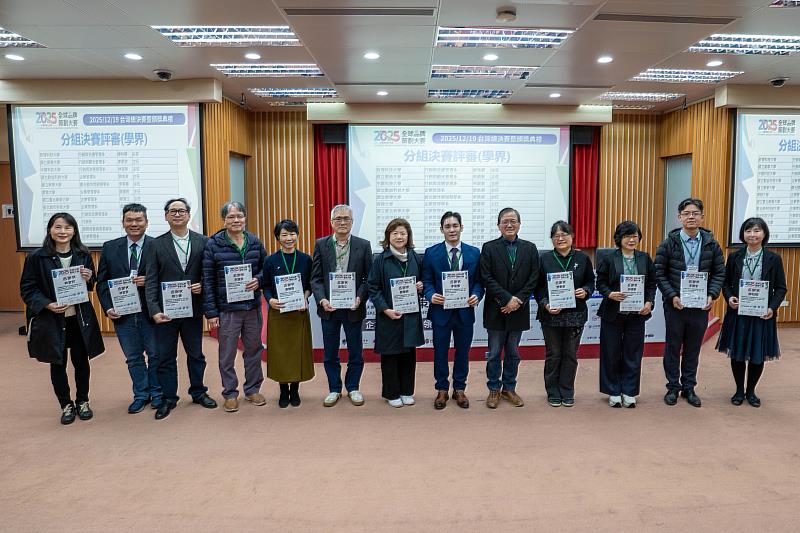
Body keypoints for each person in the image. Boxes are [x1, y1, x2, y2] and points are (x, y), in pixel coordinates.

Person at [20, 213, 105, 424]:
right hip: (52, 319)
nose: (62, 232)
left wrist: (89, 278)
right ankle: (66, 405)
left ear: (74, 231)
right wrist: (48, 304)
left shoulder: (83, 254)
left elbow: (89, 285)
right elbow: (28, 289)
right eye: (58, 227)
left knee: (81, 362)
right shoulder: (36, 257)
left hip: (79, 318)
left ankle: (83, 401)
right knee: (58, 363)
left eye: (67, 228)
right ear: (50, 230)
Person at [144, 198, 217, 420]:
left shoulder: (203, 242)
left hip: (192, 310)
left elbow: (210, 274)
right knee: (166, 357)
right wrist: (154, 309)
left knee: (196, 354)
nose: (177, 214)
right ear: (166, 216)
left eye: (181, 211)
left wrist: (203, 286)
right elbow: (151, 281)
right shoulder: (155, 245)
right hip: (166, 313)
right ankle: (168, 398)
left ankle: (198, 392)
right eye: (172, 211)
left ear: (188, 215)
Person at [655, 198, 725, 408]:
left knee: (693, 348)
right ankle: (672, 387)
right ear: (680, 217)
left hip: (700, 306)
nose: (691, 217)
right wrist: (672, 296)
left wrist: (712, 295)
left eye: (695, 213)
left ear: (702, 217)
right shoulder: (669, 243)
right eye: (687, 213)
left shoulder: (712, 244)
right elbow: (659, 273)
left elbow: (719, 273)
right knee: (673, 347)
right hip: (676, 305)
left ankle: (689, 387)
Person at [202, 202, 268, 413]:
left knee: (254, 350)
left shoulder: (255, 241)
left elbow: (265, 269)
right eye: (231, 217)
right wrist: (211, 312)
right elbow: (208, 280)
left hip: (252, 307)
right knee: (227, 353)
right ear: (224, 220)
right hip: (227, 310)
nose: (236, 220)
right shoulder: (213, 244)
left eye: (239, 216)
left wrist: (258, 279)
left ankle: (252, 389)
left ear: (245, 218)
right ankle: (230, 393)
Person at [97, 203, 162, 414]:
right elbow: (102, 283)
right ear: (123, 222)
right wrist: (107, 308)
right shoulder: (109, 247)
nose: (134, 224)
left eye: (138, 220)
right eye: (129, 220)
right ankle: (141, 394)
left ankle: (157, 393)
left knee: (155, 355)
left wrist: (150, 281)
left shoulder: (158, 245)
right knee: (133, 357)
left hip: (150, 312)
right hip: (123, 314)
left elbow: (167, 278)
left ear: (146, 222)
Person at [717, 217, 787, 408]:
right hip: (738, 312)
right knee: (737, 353)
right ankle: (739, 391)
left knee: (757, 353)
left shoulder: (774, 258)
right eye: (748, 231)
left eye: (757, 231)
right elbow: (725, 282)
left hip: (762, 314)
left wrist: (772, 308)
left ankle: (751, 391)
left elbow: (781, 288)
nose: (752, 234)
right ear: (743, 234)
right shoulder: (734, 257)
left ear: (764, 234)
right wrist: (729, 297)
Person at [310, 204, 373, 407]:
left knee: (355, 350)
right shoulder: (321, 244)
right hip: (330, 308)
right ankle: (334, 389)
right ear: (331, 223)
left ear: (352, 222)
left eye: (346, 218)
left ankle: (353, 387)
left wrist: (360, 298)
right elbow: (316, 278)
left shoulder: (363, 245)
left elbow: (368, 278)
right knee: (330, 352)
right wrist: (322, 299)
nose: (342, 222)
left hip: (353, 308)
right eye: (338, 219)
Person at [422, 211, 484, 409]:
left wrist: (476, 294)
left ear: (461, 227)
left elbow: (479, 282)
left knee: (462, 352)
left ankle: (459, 388)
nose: (452, 229)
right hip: (441, 312)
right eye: (447, 226)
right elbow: (427, 281)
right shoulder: (431, 253)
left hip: (465, 312)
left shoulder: (474, 253)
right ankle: (441, 389)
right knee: (440, 352)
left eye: (455, 225)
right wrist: (431, 295)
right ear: (442, 230)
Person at [479, 207, 539, 409]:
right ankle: (494, 389)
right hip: (496, 309)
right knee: (494, 352)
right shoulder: (488, 248)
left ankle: (509, 388)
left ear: (519, 224)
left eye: (513, 221)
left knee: (513, 352)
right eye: (505, 221)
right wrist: (506, 299)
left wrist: (517, 301)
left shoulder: (530, 248)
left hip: (519, 310)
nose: (509, 225)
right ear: (498, 225)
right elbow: (486, 277)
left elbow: (533, 278)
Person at [595, 221, 657, 408]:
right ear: (619, 238)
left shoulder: (645, 258)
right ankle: (613, 391)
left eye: (635, 236)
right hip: (613, 312)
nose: (632, 239)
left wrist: (649, 302)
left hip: (636, 314)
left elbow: (651, 284)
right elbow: (601, 282)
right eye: (627, 236)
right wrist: (610, 294)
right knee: (611, 352)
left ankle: (629, 391)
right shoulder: (608, 258)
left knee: (633, 352)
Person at [535, 221, 595, 407]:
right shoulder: (544, 259)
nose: (560, 238)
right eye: (556, 236)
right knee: (553, 354)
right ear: (552, 239)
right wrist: (545, 304)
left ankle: (567, 390)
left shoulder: (582, 258)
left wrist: (585, 291)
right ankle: (552, 391)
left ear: (572, 236)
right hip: (550, 315)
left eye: (564, 234)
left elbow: (591, 283)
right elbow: (537, 288)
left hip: (575, 314)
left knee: (570, 354)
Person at [368, 218, 424, 408]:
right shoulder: (380, 260)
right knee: (390, 356)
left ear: (408, 236)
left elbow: (423, 282)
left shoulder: (415, 257)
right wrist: (385, 309)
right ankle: (392, 393)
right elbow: (373, 288)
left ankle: (407, 391)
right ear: (388, 236)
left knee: (409, 354)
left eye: (403, 233)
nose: (399, 237)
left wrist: (421, 286)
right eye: (395, 233)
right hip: (389, 316)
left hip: (410, 315)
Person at [262, 219, 314, 408]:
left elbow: (310, 285)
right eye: (284, 234)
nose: (289, 238)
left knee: (297, 351)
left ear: (297, 236)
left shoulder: (306, 259)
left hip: (299, 312)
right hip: (279, 312)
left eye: (292, 234)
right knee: (281, 353)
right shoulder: (270, 260)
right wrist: (270, 300)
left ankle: (295, 390)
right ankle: (284, 390)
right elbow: (266, 286)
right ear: (278, 238)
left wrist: (305, 298)